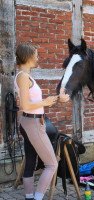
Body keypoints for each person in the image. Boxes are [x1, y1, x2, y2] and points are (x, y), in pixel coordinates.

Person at [14, 43, 69, 200]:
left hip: (30, 122)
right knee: (52, 164)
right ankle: (37, 198)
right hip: (32, 123)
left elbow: (33, 102)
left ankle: (30, 197)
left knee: (30, 161)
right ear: (29, 56)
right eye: (36, 55)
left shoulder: (25, 75)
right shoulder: (23, 77)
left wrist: (58, 99)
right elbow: (25, 105)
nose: (38, 58)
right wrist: (45, 103)